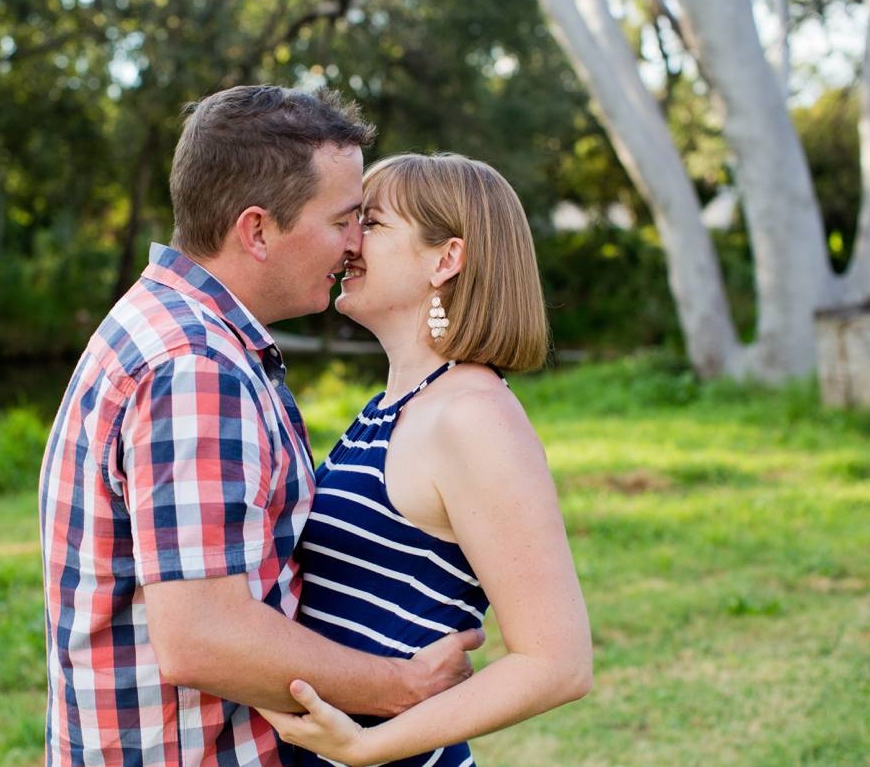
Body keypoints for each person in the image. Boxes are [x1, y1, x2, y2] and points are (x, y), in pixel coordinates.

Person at [38, 88, 484, 767]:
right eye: (343, 219)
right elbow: (202, 634)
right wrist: (403, 686)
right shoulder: (195, 366)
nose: (357, 242)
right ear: (256, 230)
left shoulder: (165, 323)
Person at [258, 153, 594, 766]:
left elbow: (558, 662)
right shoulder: (391, 407)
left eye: (374, 223)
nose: (349, 242)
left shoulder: (473, 415)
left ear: (446, 259)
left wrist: (368, 747)